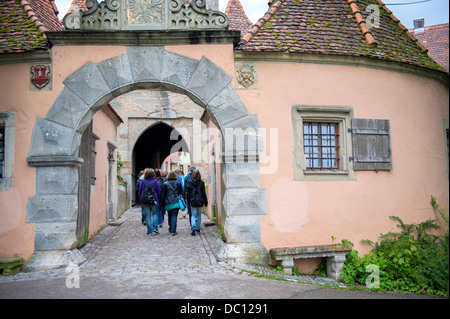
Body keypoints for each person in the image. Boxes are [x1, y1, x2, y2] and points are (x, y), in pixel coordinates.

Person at [138, 169, 161, 236]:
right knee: (155, 214)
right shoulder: (156, 182)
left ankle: (149, 231)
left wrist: (140, 200)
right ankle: (155, 227)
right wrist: (158, 200)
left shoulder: (142, 182)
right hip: (154, 200)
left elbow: (139, 192)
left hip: (145, 201)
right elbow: (159, 192)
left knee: (148, 216)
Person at [186, 169, 208, 236]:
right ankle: (198, 227)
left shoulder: (189, 182)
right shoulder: (201, 183)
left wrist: (188, 201)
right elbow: (204, 193)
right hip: (200, 200)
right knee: (198, 215)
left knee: (193, 215)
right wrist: (206, 202)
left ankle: (193, 226)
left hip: (193, 200)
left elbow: (188, 194)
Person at [161, 171, 183, 236]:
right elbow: (181, 192)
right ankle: (173, 230)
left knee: (170, 215)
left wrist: (162, 203)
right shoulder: (178, 183)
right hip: (176, 201)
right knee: (174, 215)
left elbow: (163, 194)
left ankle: (171, 228)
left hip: (168, 201)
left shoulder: (165, 183)